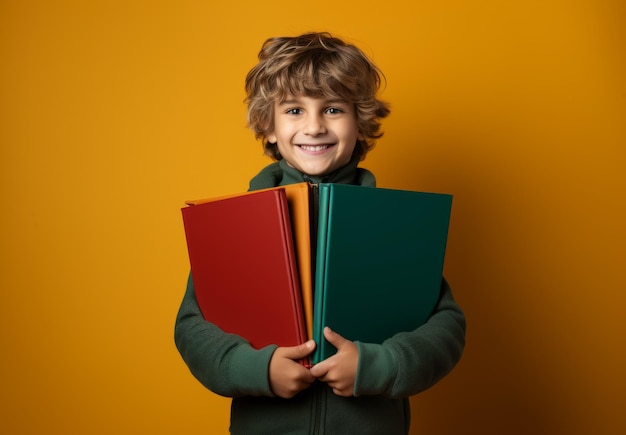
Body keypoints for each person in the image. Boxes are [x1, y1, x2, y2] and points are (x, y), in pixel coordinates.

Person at [175, 32, 466, 434]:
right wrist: (256, 369)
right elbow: (192, 327)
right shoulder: (234, 223)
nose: (314, 127)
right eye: (294, 110)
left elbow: (446, 326)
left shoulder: (394, 223)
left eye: (332, 109)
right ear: (269, 126)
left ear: (360, 122)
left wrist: (378, 366)